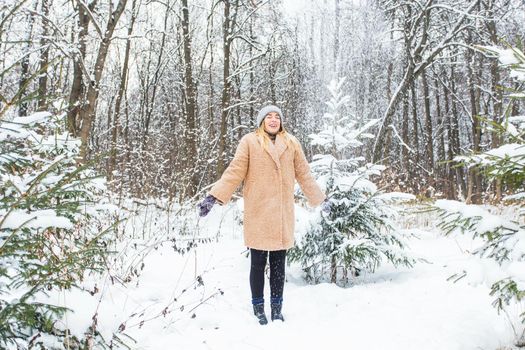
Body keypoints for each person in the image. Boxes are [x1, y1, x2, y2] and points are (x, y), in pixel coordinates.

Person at [198, 105, 330, 325]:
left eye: (277, 116)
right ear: (261, 121)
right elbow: (235, 171)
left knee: (279, 264)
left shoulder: (291, 143)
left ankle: (277, 308)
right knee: (258, 264)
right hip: (258, 212)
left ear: (281, 122)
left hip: (281, 214)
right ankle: (258, 307)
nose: (273, 119)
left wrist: (321, 199)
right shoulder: (249, 141)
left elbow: (304, 174)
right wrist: (214, 196)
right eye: (269, 116)